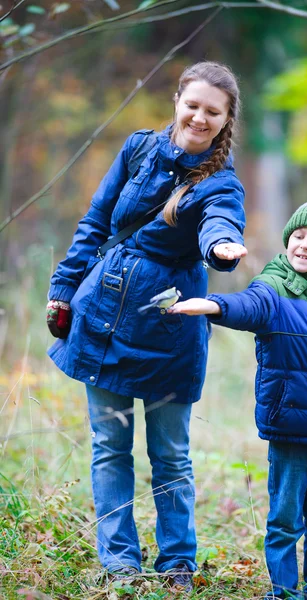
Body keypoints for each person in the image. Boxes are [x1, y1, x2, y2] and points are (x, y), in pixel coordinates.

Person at [46, 61, 247, 590]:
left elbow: (221, 221)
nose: (200, 118)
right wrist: (63, 290)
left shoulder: (220, 182)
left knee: (171, 455)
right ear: (178, 99)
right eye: (194, 105)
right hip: (102, 317)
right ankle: (120, 564)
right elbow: (95, 222)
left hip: (168, 328)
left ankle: (178, 564)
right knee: (109, 446)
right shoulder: (138, 149)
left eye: (213, 112)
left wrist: (222, 249)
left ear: (226, 120)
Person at [169, 188, 307, 599]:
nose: (304, 246)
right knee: (286, 517)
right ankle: (283, 591)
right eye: (299, 235)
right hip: (290, 427)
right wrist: (213, 306)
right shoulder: (276, 286)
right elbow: (250, 306)